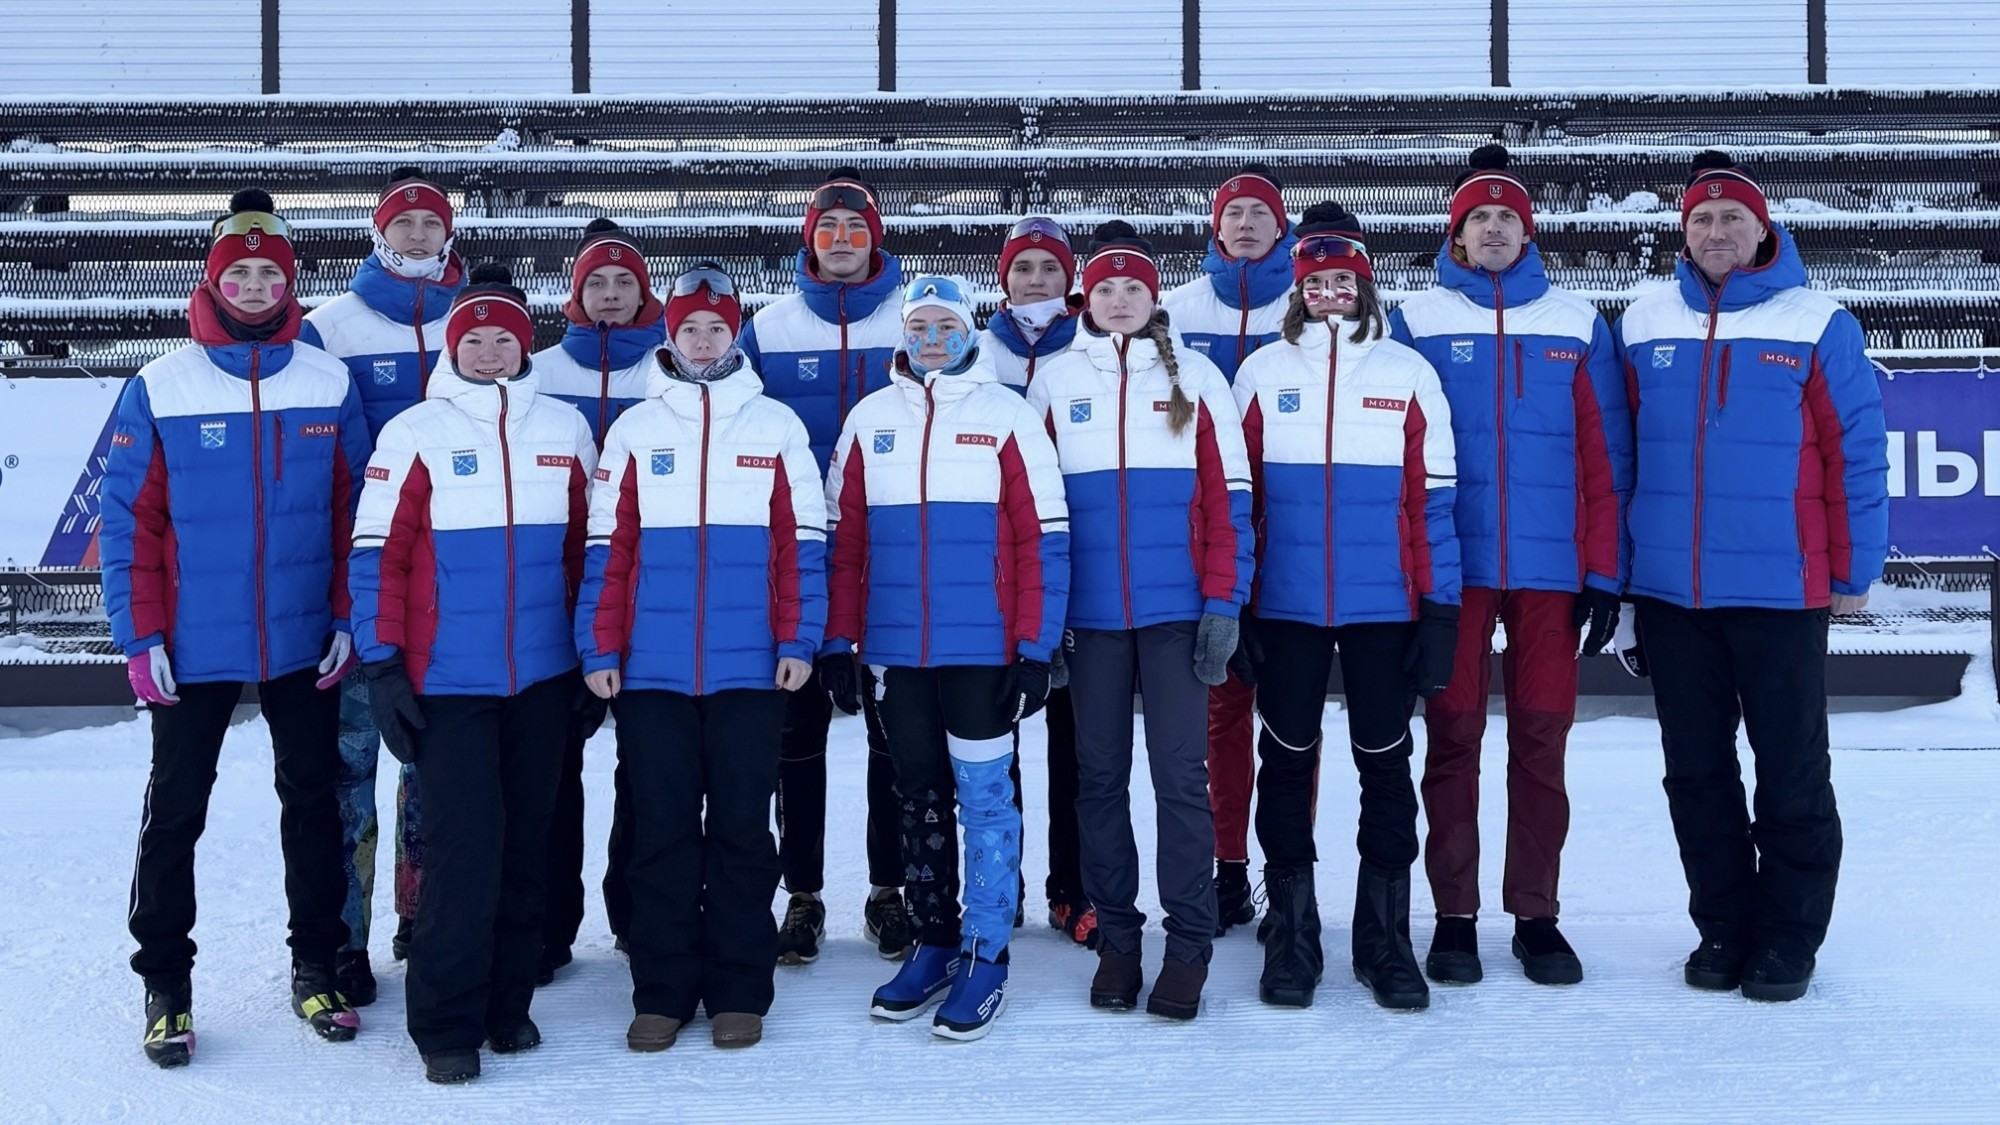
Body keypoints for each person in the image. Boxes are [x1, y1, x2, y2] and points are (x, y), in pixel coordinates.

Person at [103, 189, 372, 1067]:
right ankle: (166, 981)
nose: (255, 287)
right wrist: (142, 638)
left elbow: (351, 512)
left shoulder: (325, 378)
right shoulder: (161, 385)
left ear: (289, 281)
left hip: (302, 642)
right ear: (213, 282)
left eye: (269, 273)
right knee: (176, 810)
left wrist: (345, 615)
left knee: (312, 804)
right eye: (239, 273)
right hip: (191, 646)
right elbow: (128, 524)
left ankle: (316, 960)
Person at [1614, 151, 1888, 1003]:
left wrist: (1855, 567)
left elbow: (1858, 452)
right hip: (1671, 593)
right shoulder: (1641, 319)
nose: (1717, 231)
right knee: (1695, 771)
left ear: (1763, 227)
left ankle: (1789, 935)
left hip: (1782, 588)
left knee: (1791, 770)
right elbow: (1618, 457)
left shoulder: (1819, 320)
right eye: (1701, 218)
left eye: (1733, 217)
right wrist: (1620, 579)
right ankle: (1724, 925)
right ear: (1682, 233)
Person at [1387, 144, 1634, 988]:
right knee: (1452, 738)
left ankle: (1536, 915)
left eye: (1507, 218)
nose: (1493, 229)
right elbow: (1395, 453)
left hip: (1549, 573)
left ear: (1528, 232)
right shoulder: (1414, 319)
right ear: (1456, 234)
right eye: (1477, 218)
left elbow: (1608, 459)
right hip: (1455, 571)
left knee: (1540, 739)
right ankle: (1454, 917)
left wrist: (1604, 570)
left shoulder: (1576, 320)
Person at [349, 265, 598, 1083]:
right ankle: (445, 1023)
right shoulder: (414, 431)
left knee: (528, 843)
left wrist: (589, 660)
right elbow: (377, 558)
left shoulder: (563, 429)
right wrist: (382, 664)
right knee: (464, 849)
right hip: (448, 682)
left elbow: (583, 558)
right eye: (475, 340)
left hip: (543, 680)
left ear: (526, 346)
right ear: (454, 347)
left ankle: (506, 1002)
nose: (490, 353)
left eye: (504, 339)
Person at [576, 262, 823, 1053]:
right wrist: (599, 644)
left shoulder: (776, 424)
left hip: (752, 668)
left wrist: (799, 639)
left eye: (718, 328)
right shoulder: (636, 431)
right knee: (661, 830)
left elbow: (802, 545)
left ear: (736, 332)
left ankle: (740, 987)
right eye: (690, 329)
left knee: (746, 831)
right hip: (650, 671)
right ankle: (662, 986)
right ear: (670, 336)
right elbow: (608, 551)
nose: (705, 340)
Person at [1232, 203, 1462, 1010]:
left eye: (1344, 279)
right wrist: (1241, 603)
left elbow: (1433, 502)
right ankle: (1293, 937)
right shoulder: (1262, 372)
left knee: (1384, 765)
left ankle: (1385, 940)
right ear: (1299, 289)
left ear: (1365, 286)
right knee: (1287, 763)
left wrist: (1440, 612)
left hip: (1383, 610)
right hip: (1288, 608)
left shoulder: (1408, 373)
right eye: (1317, 280)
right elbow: (1238, 496)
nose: (1331, 292)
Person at [830, 276, 1069, 1040]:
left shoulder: (1009, 415)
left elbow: (1044, 540)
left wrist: (1035, 648)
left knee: (986, 797)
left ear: (969, 332)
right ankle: (934, 940)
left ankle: (985, 948)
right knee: (919, 797)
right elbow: (845, 545)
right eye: (920, 326)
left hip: (982, 649)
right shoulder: (869, 420)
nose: (933, 338)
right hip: (898, 653)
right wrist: (840, 641)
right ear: (903, 335)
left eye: (947, 325)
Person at [1027, 222, 1252, 1020]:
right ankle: (1119, 937)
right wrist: (1044, 620)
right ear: (1088, 298)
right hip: (1090, 621)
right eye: (1108, 289)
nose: (1121, 302)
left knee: (1181, 780)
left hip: (1176, 614)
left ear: (1155, 297)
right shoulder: (1054, 381)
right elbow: (1037, 515)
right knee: (1097, 778)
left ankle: (1188, 943)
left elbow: (1231, 502)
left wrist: (1224, 601)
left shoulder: (1198, 377)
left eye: (1136, 288)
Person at [738, 167, 912, 963]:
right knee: (795, 736)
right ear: (808, 238)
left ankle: (889, 889)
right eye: (828, 228)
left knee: (891, 735)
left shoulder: (916, 320)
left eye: (856, 228)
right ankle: (801, 893)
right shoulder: (769, 330)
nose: (842, 242)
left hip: (896, 550)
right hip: (799, 554)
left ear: (875, 237)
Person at [300, 166, 466, 1002]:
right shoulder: (330, 327)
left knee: (429, 770)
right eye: (401, 223)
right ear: (379, 231)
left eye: (429, 224)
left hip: (446, 589)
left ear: (447, 234)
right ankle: (342, 936)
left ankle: (419, 914)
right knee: (349, 771)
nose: (415, 236)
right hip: (360, 576)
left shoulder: (474, 326)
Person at [1160, 165, 1298, 933]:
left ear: (1282, 229)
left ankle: (1286, 873)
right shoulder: (1176, 312)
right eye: (1233, 212)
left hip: (1295, 544)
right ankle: (1227, 867)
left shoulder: (1308, 304)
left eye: (1260, 212)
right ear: (1215, 228)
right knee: (1220, 715)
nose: (1246, 222)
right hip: (1206, 542)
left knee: (1285, 721)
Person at [532, 217, 667, 981]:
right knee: (555, 767)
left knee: (645, 769)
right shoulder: (543, 369)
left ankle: (635, 910)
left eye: (623, 282)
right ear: (575, 294)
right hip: (558, 588)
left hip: (649, 592)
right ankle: (551, 922)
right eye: (596, 284)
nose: (611, 295)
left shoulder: (671, 364)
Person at [979, 216, 1096, 947]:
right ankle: (1003, 882)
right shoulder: (976, 349)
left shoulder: (1092, 348)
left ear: (1069, 279)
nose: (1036, 282)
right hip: (993, 577)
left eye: (1049, 270)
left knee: (1077, 741)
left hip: (1078, 566)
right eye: (1023, 270)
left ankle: (1072, 886)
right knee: (997, 734)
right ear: (1005, 279)